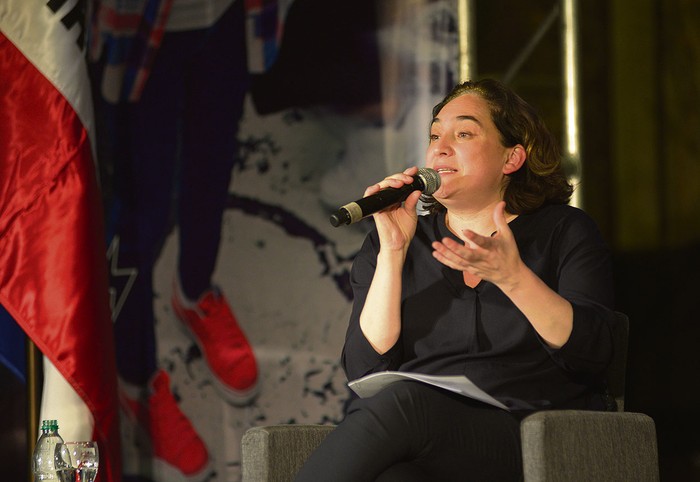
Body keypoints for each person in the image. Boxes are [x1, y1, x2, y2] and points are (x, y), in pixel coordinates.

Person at [294, 78, 617, 481]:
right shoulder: (399, 237)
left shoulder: (564, 230)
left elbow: (592, 351)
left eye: (463, 132)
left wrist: (514, 278)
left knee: (406, 404)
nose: (440, 147)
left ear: (512, 158)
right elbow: (364, 370)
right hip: (428, 439)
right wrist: (393, 251)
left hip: (529, 433)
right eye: (434, 135)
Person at [88, 0, 263, 479]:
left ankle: (194, 292)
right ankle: (134, 377)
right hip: (142, 25)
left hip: (227, 14)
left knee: (213, 161)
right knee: (139, 211)